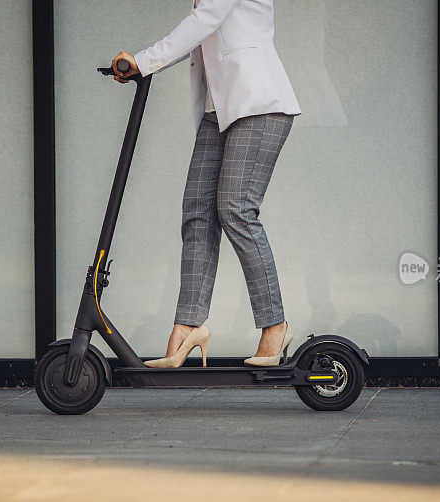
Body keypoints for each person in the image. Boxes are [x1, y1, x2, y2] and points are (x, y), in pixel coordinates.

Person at [112, 0, 301, 368]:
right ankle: (188, 327)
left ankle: (276, 326)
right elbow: (205, 35)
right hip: (221, 110)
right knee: (198, 213)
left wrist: (144, 60)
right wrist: (145, 64)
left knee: (236, 209)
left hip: (258, 104)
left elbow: (204, 20)